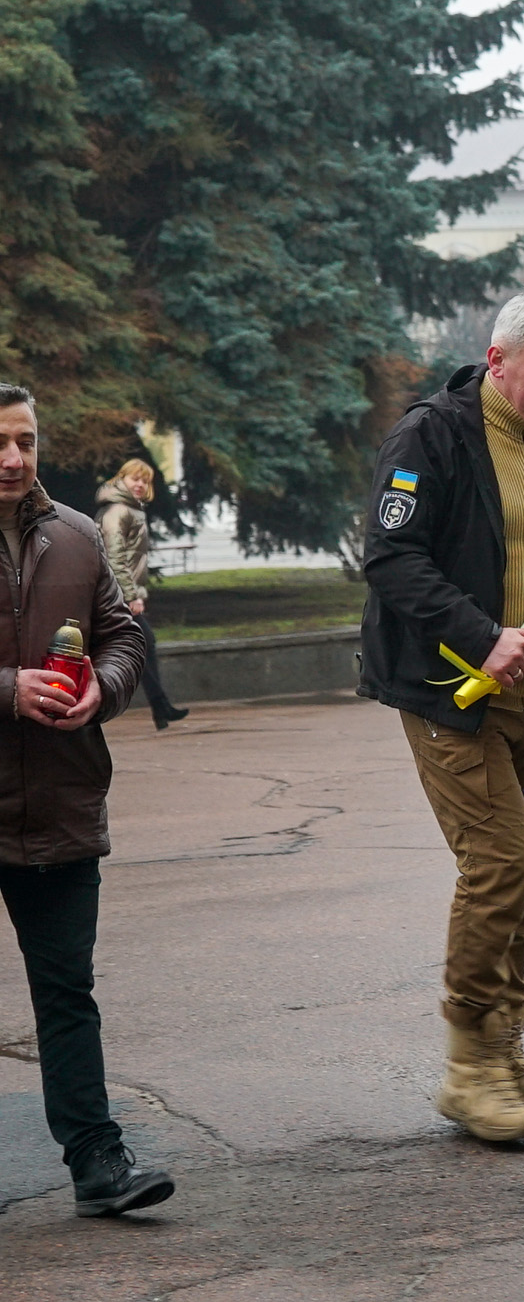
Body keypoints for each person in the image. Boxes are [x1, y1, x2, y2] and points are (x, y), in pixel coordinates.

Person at [358, 291, 524, 1143]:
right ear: (498, 361)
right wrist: (479, 633)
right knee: (499, 860)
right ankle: (468, 1069)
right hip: (450, 694)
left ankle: (505, 1050)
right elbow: (390, 555)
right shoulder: (434, 434)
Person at [0, 383, 165, 1216]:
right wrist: (6, 690)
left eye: (24, 439)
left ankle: (98, 1161)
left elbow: (125, 634)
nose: (12, 457)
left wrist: (103, 686)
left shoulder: (76, 534)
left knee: (66, 991)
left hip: (60, 799)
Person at [95, 460, 188, 728]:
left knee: (145, 645)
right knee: (143, 644)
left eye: (145, 481)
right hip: (117, 596)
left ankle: (161, 709)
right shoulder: (118, 511)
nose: (140, 485)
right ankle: (160, 707)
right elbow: (115, 557)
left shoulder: (131, 510)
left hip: (123, 594)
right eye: (134, 479)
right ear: (121, 478)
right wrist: (130, 595)